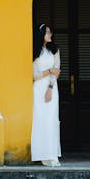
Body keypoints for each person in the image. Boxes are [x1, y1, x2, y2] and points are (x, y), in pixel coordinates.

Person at [31, 23, 61, 167]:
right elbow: (34, 76)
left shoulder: (55, 51)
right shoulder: (35, 53)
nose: (50, 35)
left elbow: (57, 70)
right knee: (40, 119)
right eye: (48, 32)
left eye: (50, 32)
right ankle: (41, 154)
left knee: (51, 119)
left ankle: (52, 155)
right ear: (41, 35)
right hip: (38, 89)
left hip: (51, 88)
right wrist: (49, 71)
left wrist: (50, 87)